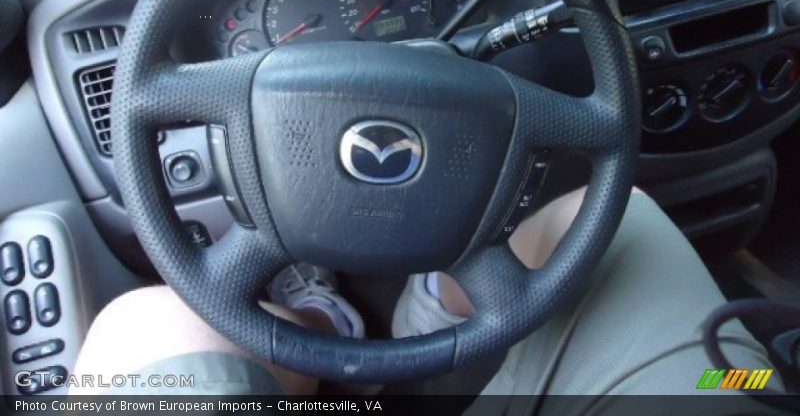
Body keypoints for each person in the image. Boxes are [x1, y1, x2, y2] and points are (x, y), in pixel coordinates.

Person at [72, 188, 779, 397]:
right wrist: (765, 374)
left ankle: (318, 326)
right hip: (716, 392)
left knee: (150, 325)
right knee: (608, 212)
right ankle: (429, 309)